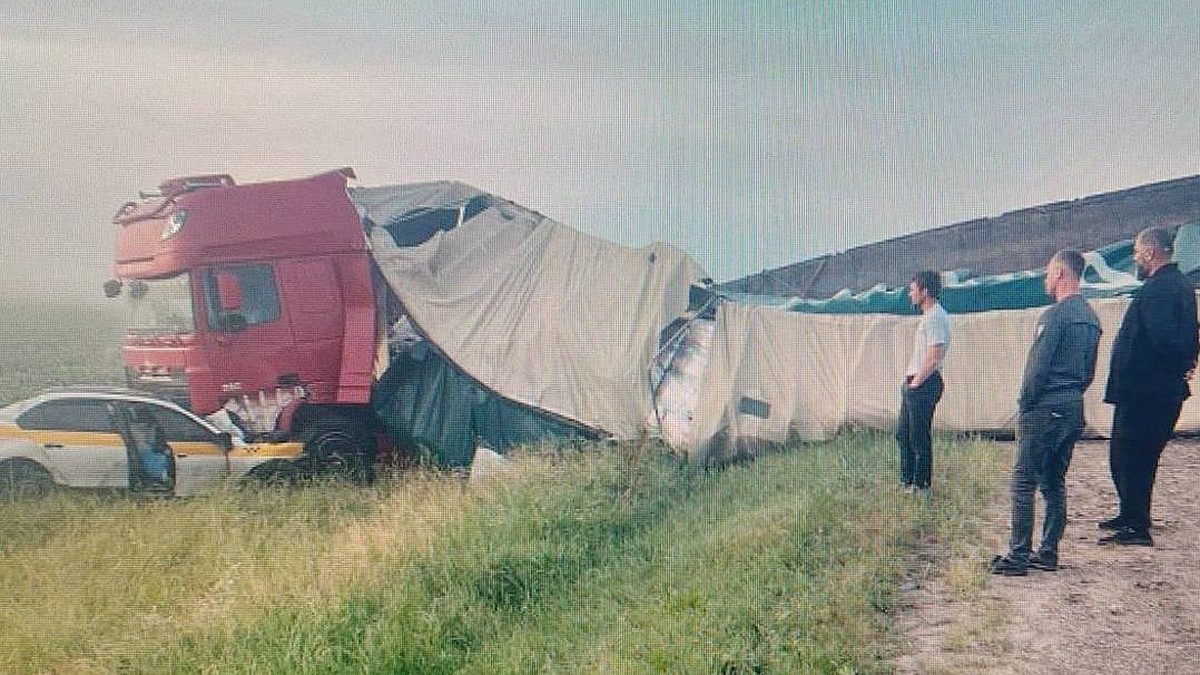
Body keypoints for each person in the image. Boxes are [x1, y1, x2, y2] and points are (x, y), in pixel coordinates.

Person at [990, 250, 1101, 576]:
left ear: (1059, 274)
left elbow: (1037, 370)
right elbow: (1089, 371)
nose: (1045, 280)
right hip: (1072, 407)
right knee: (1054, 482)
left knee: (1024, 480)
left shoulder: (1054, 316)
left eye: (1048, 273)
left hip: (1045, 407)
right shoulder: (1092, 318)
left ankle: (1018, 555)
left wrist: (1025, 404)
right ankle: (1048, 552)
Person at [1099, 226, 1199, 546]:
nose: (1135, 258)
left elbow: (1164, 340)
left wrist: (1177, 368)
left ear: (1151, 253)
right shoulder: (1178, 285)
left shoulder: (1159, 289)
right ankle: (1131, 514)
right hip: (1154, 391)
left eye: (1138, 252)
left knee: (1131, 456)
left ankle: (1136, 527)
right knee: (1135, 457)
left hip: (1147, 392)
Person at [896, 270, 951, 491]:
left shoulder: (936, 317)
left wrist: (917, 382)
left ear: (925, 291)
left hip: (925, 382)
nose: (910, 294)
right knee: (903, 434)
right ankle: (907, 482)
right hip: (916, 381)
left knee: (918, 437)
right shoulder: (929, 317)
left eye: (913, 289)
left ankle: (921, 486)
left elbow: (934, 355)